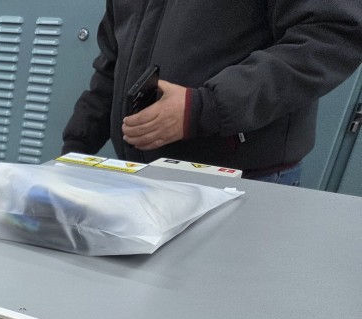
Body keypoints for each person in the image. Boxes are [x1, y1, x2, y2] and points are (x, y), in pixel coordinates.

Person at [62, 1, 362, 185]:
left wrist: (205, 108)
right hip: (145, 175)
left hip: (244, 180)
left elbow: (330, 35)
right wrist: (73, 149)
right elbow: (113, 65)